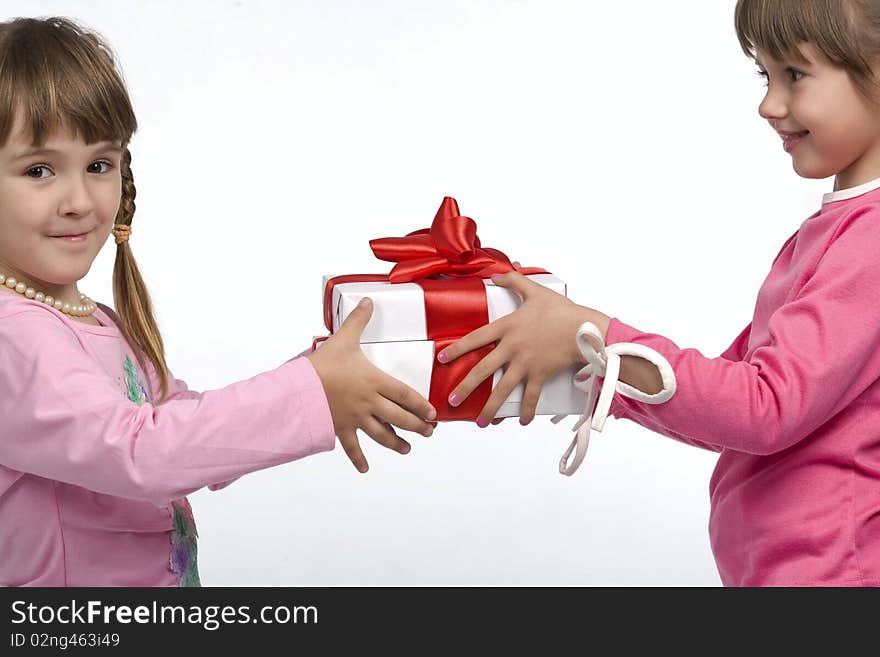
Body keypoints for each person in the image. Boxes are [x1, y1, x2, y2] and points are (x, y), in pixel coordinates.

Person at [440, 0, 880, 586]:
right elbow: (728, 398)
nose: (768, 105)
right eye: (764, 75)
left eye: (794, 76)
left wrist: (590, 337)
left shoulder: (870, 238)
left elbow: (763, 407)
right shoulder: (840, 230)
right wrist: (585, 369)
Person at [0, 16, 436, 587]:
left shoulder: (86, 319)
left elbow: (180, 426)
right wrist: (312, 391)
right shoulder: (17, 337)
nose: (79, 199)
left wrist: (315, 379)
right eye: (39, 170)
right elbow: (144, 452)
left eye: (99, 165)